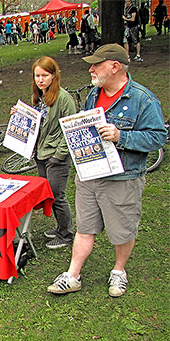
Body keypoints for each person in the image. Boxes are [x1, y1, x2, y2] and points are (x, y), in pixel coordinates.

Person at [48, 44, 166, 297]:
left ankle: (119, 271)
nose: (90, 69)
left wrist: (121, 136)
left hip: (122, 179)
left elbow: (158, 137)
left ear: (115, 67)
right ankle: (73, 275)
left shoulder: (142, 99)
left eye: (96, 64)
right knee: (84, 227)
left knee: (122, 230)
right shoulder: (94, 94)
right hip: (90, 174)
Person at [18, 56, 76, 249]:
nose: (40, 79)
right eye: (37, 75)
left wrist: (59, 154)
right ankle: (61, 227)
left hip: (55, 155)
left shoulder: (64, 98)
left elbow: (71, 129)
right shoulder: (40, 96)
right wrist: (20, 115)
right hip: (41, 153)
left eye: (45, 75)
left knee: (57, 195)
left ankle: (66, 234)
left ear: (54, 75)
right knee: (49, 193)